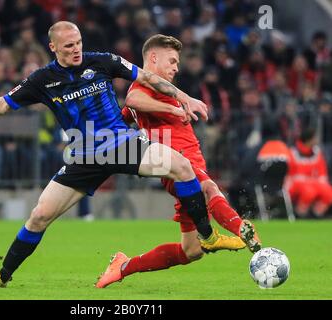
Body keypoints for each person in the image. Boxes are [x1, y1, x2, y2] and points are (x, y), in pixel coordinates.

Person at [0, 21, 242, 289]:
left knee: (181, 166)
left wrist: (185, 97)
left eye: (79, 42)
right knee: (39, 216)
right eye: (68, 46)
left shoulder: (103, 60)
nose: (76, 49)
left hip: (121, 142)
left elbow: (147, 78)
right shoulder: (41, 80)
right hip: (84, 155)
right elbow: (3, 106)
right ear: (53, 47)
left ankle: (208, 235)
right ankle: (0, 277)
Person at [95, 35, 262, 288]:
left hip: (188, 164)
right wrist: (174, 109)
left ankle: (124, 265)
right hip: (177, 164)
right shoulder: (145, 86)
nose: (176, 67)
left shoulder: (160, 90)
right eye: (172, 61)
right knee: (209, 188)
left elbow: (126, 114)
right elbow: (132, 100)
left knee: (191, 251)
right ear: (153, 58)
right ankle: (246, 233)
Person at [285, 127, 332, 217]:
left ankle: (317, 214)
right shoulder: (293, 153)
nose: (316, 140)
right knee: (309, 192)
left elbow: (322, 173)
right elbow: (290, 174)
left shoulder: (317, 152)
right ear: (308, 139)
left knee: (329, 192)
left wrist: (319, 181)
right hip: (296, 183)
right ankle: (300, 214)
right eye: (314, 138)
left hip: (314, 182)